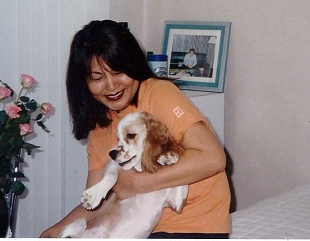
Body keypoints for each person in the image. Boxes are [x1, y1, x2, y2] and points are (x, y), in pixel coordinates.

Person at [40, 20, 231, 238]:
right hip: (140, 230)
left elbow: (213, 157)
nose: (111, 86)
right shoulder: (100, 126)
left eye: (118, 72)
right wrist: (54, 230)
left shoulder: (158, 94)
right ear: (84, 83)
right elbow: (96, 203)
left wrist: (137, 183)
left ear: (133, 66)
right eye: (98, 77)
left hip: (193, 227)